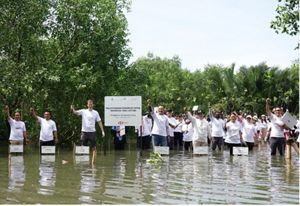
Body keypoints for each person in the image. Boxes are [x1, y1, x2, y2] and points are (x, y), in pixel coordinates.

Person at [71, 99, 105, 163]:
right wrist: (73, 108)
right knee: (83, 148)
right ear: (87, 105)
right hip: (84, 132)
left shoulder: (95, 112)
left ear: (93, 105)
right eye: (89, 104)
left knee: (94, 148)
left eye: (91, 104)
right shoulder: (83, 111)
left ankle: (93, 164)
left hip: (92, 132)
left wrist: (102, 131)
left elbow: (99, 122)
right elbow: (75, 112)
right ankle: (83, 162)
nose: (90, 105)